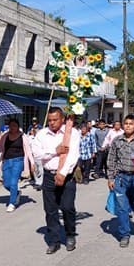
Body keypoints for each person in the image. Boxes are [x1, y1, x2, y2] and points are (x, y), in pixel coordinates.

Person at [32, 107, 81, 254]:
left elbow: (73, 154)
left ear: (62, 119)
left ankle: (70, 234)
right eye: (50, 120)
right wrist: (55, 151)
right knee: (50, 210)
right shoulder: (41, 134)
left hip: (67, 177)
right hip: (48, 175)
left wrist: (63, 173)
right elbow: (37, 155)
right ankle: (54, 240)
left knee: (67, 207)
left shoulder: (71, 132)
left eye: (55, 120)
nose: (52, 123)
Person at [107, 114, 134, 248]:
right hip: (120, 178)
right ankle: (124, 234)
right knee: (122, 208)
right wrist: (110, 178)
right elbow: (111, 160)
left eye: (131, 124)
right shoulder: (116, 141)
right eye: (126, 124)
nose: (128, 126)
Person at [0, 119, 33, 212]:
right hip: (6, 161)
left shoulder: (23, 136)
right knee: (6, 184)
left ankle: (12, 203)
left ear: (18, 126)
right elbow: (0, 149)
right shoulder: (5, 135)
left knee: (13, 182)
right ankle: (16, 193)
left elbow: (28, 150)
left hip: (18, 161)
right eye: (10, 126)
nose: (12, 127)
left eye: (14, 125)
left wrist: (32, 163)